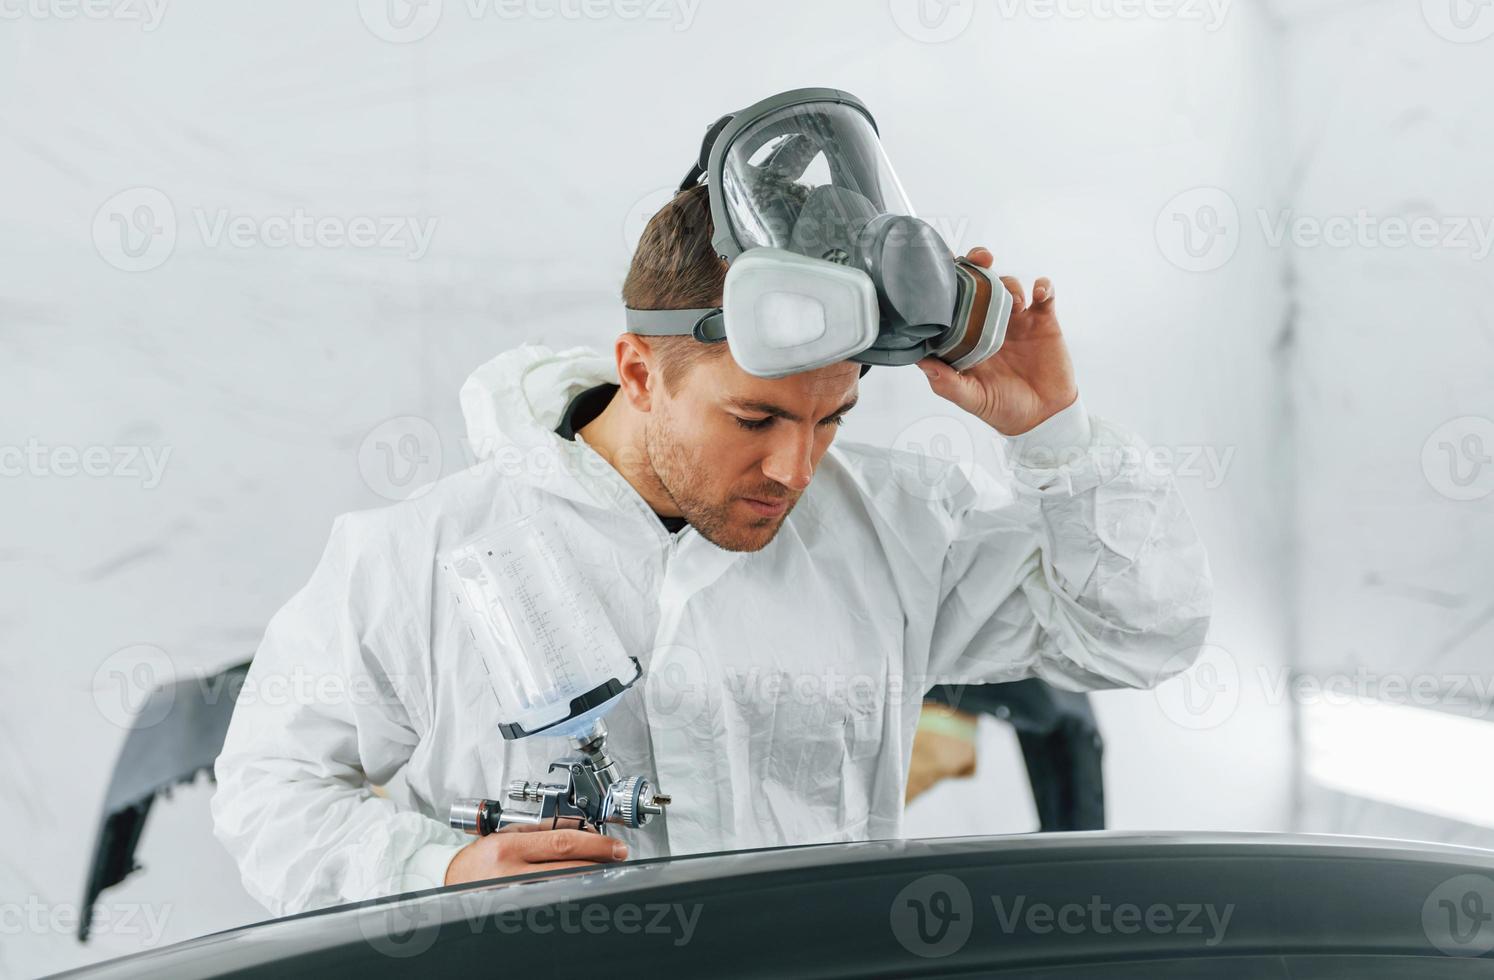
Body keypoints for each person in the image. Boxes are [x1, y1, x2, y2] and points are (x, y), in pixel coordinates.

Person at [212, 174, 1212, 920]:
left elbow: (1137, 634)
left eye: (832, 420)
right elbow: (271, 790)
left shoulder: (892, 531)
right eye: (754, 417)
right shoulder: (421, 552)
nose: (794, 467)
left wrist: (1054, 432)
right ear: (639, 371)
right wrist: (430, 870)